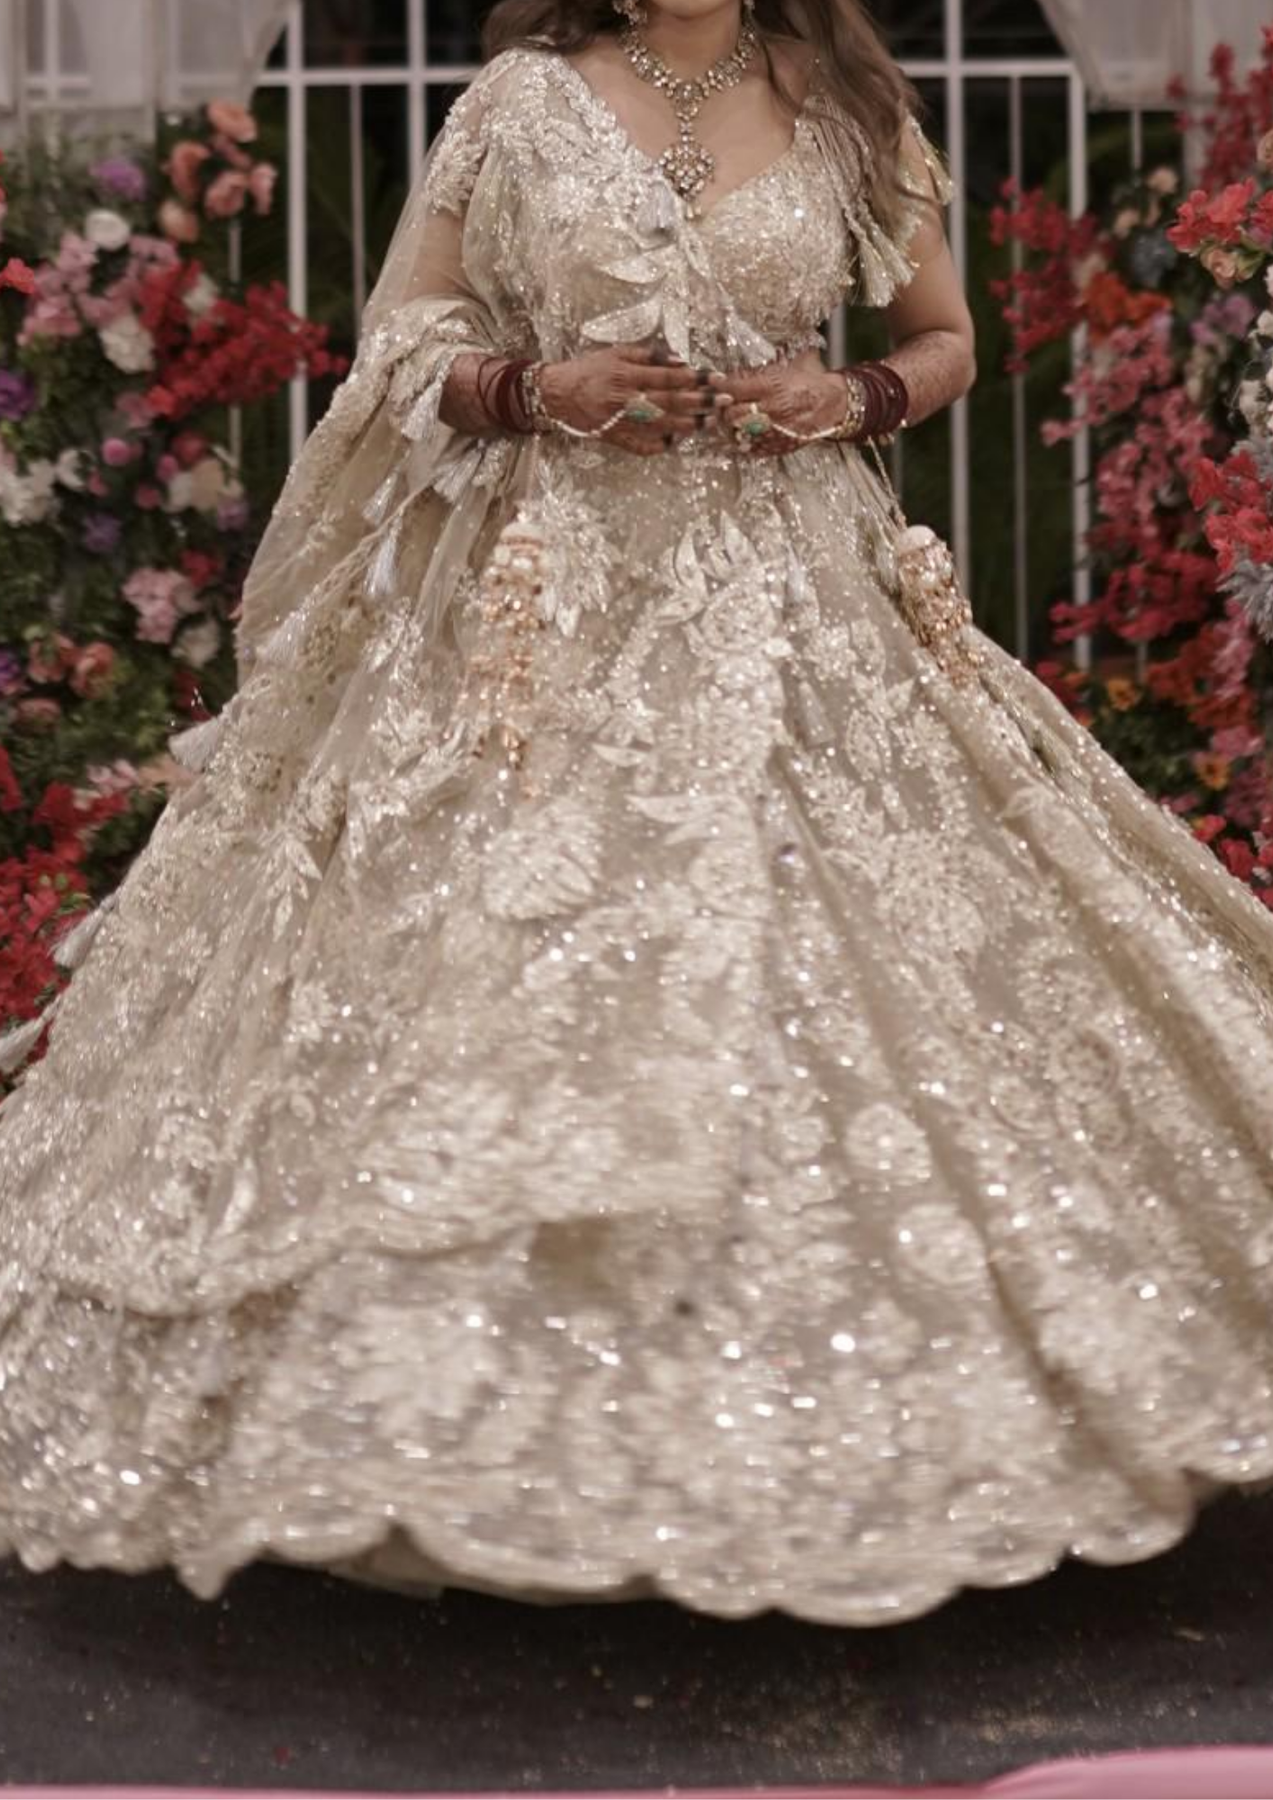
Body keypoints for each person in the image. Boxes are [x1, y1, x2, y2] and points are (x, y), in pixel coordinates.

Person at [2, 0, 1273, 1630]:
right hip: (543, 615)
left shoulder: (851, 102)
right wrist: (538, 385)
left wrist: (852, 399)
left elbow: (947, 335)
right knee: (504, 968)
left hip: (800, 597)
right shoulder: (518, 102)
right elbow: (404, 343)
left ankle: (829, 1426)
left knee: (846, 955)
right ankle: (463, 1441)